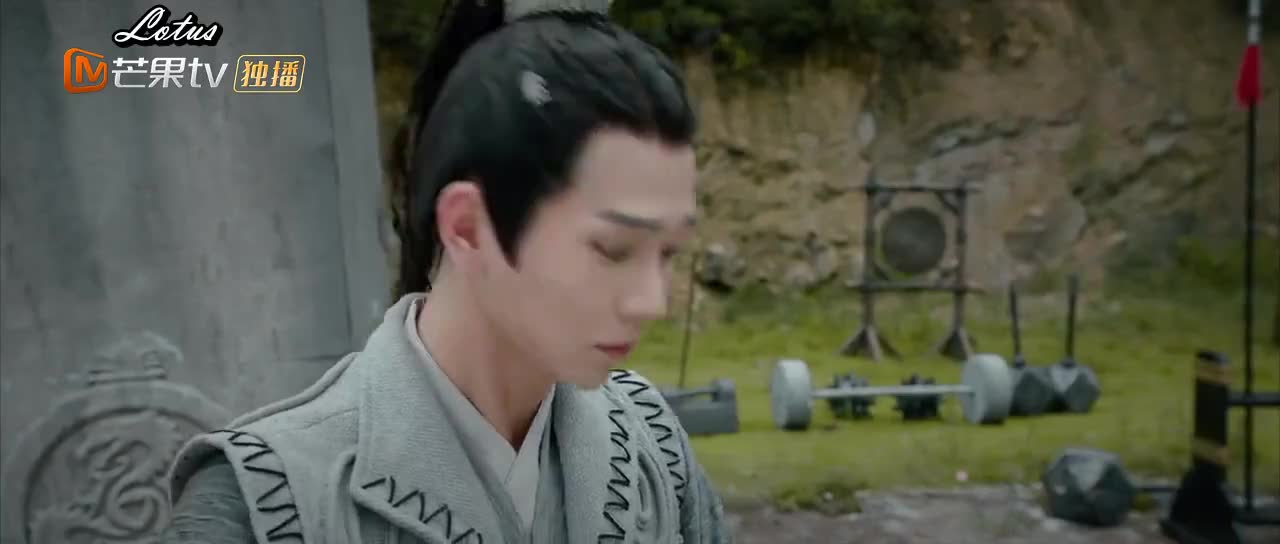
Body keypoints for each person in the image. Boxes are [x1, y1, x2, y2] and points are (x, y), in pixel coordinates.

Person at [158, 0, 729, 542]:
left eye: (669, 253)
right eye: (613, 249)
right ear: (468, 227)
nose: (652, 302)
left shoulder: (654, 449)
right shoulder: (262, 500)